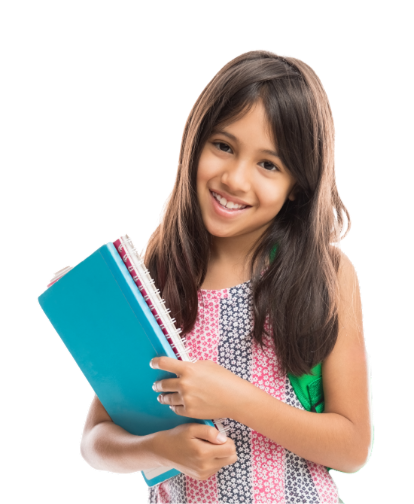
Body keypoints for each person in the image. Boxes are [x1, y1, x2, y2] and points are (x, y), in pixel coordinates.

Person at [79, 49, 372, 503]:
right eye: (224, 146)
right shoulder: (157, 270)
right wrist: (158, 448)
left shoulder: (325, 274)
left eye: (268, 164)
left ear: (298, 185)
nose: (235, 178)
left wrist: (238, 400)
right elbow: (95, 441)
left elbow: (353, 447)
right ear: (194, 143)